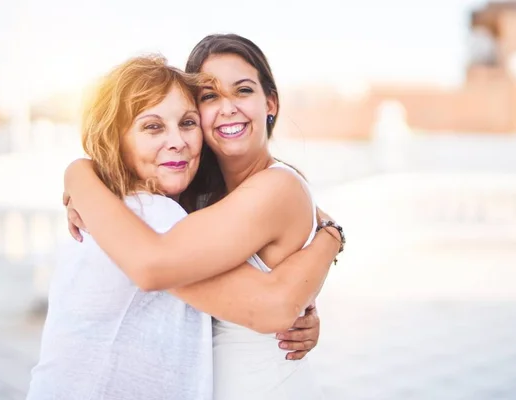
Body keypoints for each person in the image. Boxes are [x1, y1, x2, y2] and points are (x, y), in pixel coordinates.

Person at [29, 53, 341, 400]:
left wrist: (329, 231)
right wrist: (330, 237)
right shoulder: (154, 215)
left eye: (187, 123)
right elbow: (273, 306)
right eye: (152, 126)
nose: (176, 140)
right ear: (116, 138)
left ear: (270, 102)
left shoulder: (135, 207)